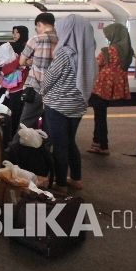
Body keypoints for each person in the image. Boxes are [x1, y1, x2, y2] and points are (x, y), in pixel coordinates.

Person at [40, 14, 96, 194]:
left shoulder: (65, 53)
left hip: (57, 106)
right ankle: (76, 178)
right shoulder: (88, 54)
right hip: (78, 106)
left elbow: (49, 79)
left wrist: (42, 93)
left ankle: (61, 183)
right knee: (70, 141)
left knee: (59, 144)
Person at [87, 23, 132, 155]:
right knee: (100, 114)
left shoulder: (109, 50)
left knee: (99, 116)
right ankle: (96, 142)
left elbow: (96, 64)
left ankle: (103, 145)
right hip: (115, 86)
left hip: (102, 86)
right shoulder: (127, 50)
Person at [18, 12, 58, 130]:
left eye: (37, 27)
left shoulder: (36, 39)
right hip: (54, 90)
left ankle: (17, 147)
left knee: (26, 122)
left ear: (39, 24)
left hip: (36, 88)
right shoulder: (61, 39)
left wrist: (29, 62)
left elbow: (21, 61)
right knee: (49, 123)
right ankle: (45, 146)